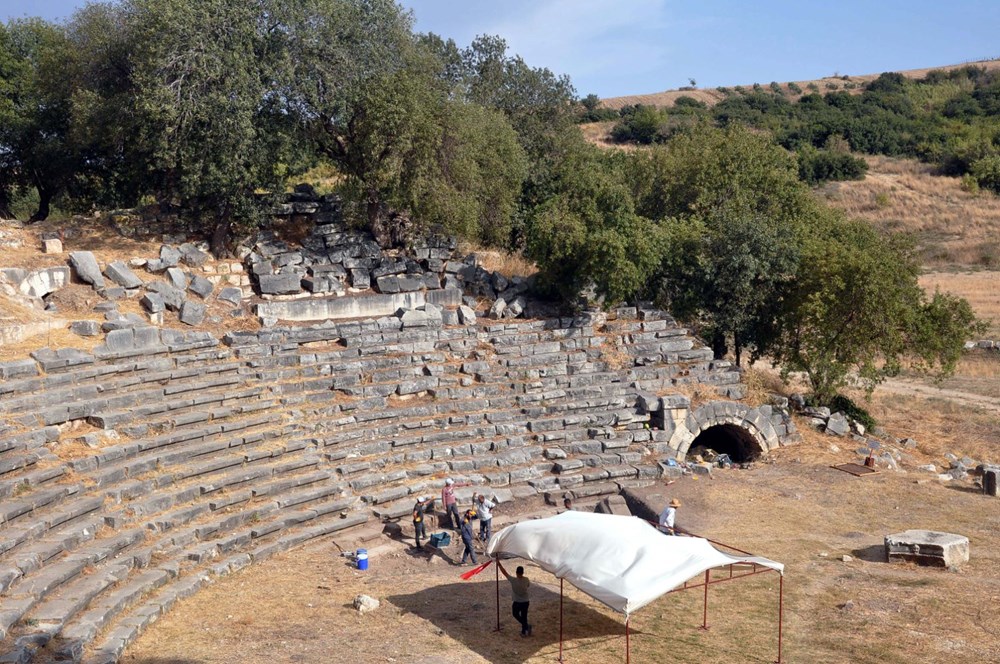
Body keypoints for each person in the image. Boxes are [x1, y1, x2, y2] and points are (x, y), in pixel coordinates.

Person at [499, 563, 532, 637]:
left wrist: (499, 564)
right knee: (524, 616)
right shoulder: (526, 579)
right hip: (525, 601)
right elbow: (528, 586)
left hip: (517, 602)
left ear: (516, 573)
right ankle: (524, 631)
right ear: (523, 573)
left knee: (515, 614)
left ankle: (526, 627)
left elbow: (504, 572)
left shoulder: (513, 580)